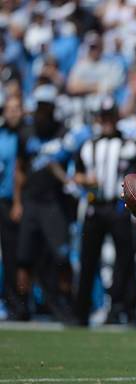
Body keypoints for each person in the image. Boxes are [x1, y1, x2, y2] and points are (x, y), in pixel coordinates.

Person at [73, 98, 136, 326]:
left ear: (116, 118)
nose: (106, 122)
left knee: (126, 259)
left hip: (118, 207)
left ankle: (127, 310)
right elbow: (76, 174)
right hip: (95, 206)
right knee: (88, 260)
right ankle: (81, 313)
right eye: (102, 117)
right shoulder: (88, 145)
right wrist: (85, 180)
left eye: (109, 117)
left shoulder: (129, 145)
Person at [16, 84, 74, 321]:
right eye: (40, 106)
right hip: (31, 201)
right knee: (24, 257)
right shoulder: (27, 132)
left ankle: (64, 303)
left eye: (46, 107)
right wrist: (18, 202)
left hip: (53, 203)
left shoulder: (62, 132)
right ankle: (20, 305)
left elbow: (61, 164)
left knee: (62, 256)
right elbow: (19, 170)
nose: (42, 112)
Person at [0, 95, 26, 319]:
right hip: (3, 199)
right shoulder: (2, 135)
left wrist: (18, 202)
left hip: (17, 201)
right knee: (8, 255)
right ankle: (9, 301)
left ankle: (18, 303)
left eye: (16, 108)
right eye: (10, 109)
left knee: (18, 255)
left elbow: (21, 171)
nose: (13, 113)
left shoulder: (26, 134)